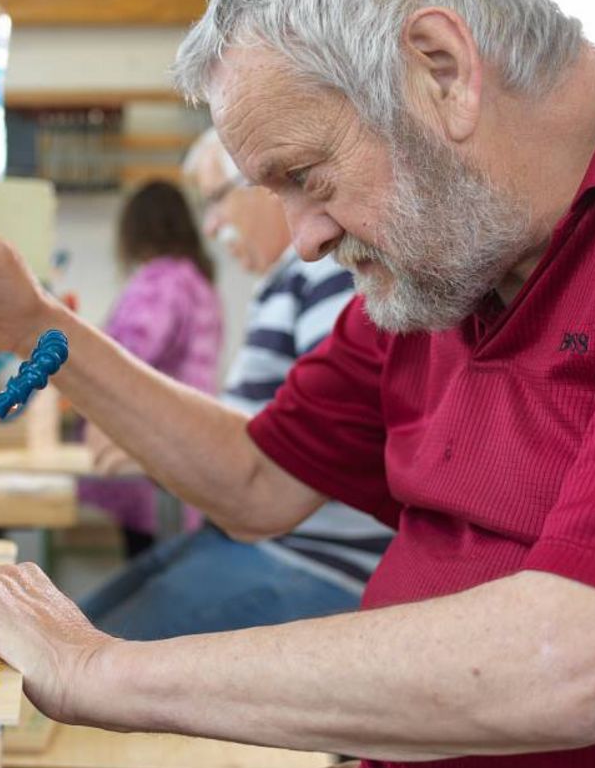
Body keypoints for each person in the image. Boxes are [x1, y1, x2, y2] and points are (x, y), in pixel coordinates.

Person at [0, 0, 595, 768]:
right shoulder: (458, 248)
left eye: (307, 177)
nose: (302, 241)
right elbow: (260, 481)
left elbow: (593, 654)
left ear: (442, 67)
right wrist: (33, 327)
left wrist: (97, 668)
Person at [80, 131, 389, 646]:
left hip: (310, 557)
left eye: (216, 200)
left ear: (265, 184)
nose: (211, 224)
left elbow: (323, 445)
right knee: (80, 625)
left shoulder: (328, 275)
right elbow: (270, 431)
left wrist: (155, 447)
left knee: (85, 651)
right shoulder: (286, 282)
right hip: (263, 540)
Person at [78, 179, 223, 557]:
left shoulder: (161, 282)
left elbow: (120, 362)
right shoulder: (197, 281)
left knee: (150, 576)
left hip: (155, 455)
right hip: (191, 446)